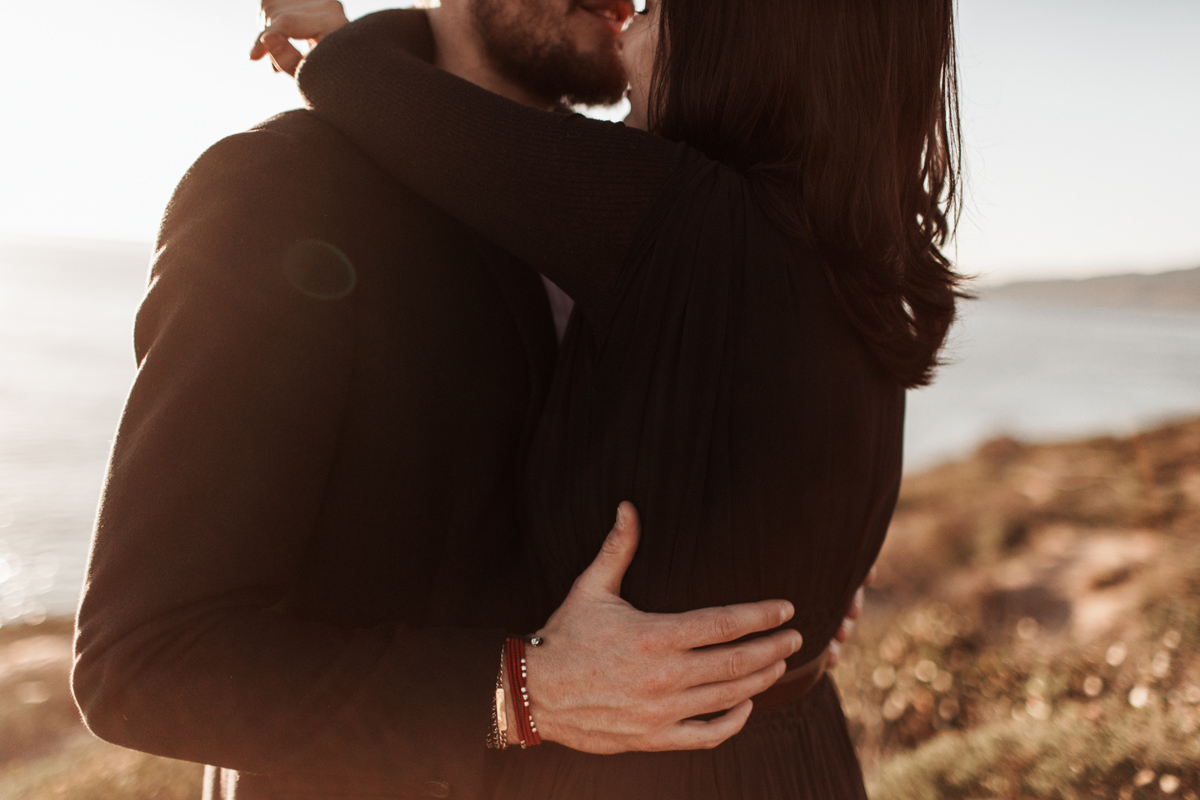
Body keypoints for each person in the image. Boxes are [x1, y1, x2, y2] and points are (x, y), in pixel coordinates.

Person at [71, 5, 869, 800]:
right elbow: (141, 661)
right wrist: (522, 692)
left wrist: (789, 573)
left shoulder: (664, 194)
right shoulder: (283, 188)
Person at [283, 0, 965, 796]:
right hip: (800, 752)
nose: (627, 30)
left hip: (645, 774)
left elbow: (348, 79)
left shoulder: (671, 214)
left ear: (735, 38)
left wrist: (352, 29)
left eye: (658, 8)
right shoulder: (868, 249)